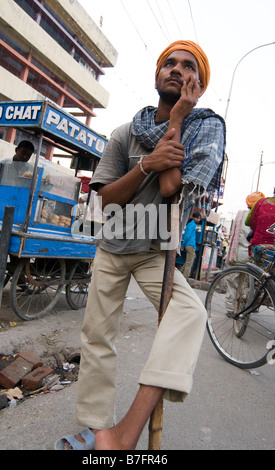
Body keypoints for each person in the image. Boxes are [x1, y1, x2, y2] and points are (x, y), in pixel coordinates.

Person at [55, 40, 226, 451]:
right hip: (114, 245)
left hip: (157, 249)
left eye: (188, 66)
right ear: (157, 75)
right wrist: (147, 163)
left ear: (197, 85)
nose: (176, 69)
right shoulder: (125, 133)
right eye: (169, 63)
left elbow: (172, 188)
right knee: (97, 337)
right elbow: (101, 202)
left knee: (187, 313)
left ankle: (128, 430)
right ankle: (100, 433)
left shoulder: (205, 128)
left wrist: (180, 118)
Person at [0, 140, 34, 291]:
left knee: (19, 251)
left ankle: (21, 281)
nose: (24, 158)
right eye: (23, 153)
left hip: (20, 214)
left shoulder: (30, 171)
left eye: (28, 156)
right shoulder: (1, 165)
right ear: (17, 150)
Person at [224, 191, 264, 314]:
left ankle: (231, 309)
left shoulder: (240, 215)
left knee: (232, 283)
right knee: (246, 285)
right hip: (250, 257)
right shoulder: (259, 216)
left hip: (235, 255)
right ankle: (242, 309)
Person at [245, 188, 275, 263]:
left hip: (258, 243)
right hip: (272, 247)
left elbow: (248, 222)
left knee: (255, 271)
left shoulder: (260, 202)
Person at [180, 211, 201, 280]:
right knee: (189, 263)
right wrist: (183, 245)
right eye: (197, 218)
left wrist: (183, 244)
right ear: (194, 218)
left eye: (199, 218)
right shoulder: (192, 225)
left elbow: (185, 235)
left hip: (189, 245)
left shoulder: (190, 224)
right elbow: (187, 236)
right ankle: (185, 279)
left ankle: (180, 274)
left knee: (188, 261)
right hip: (190, 245)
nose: (199, 220)